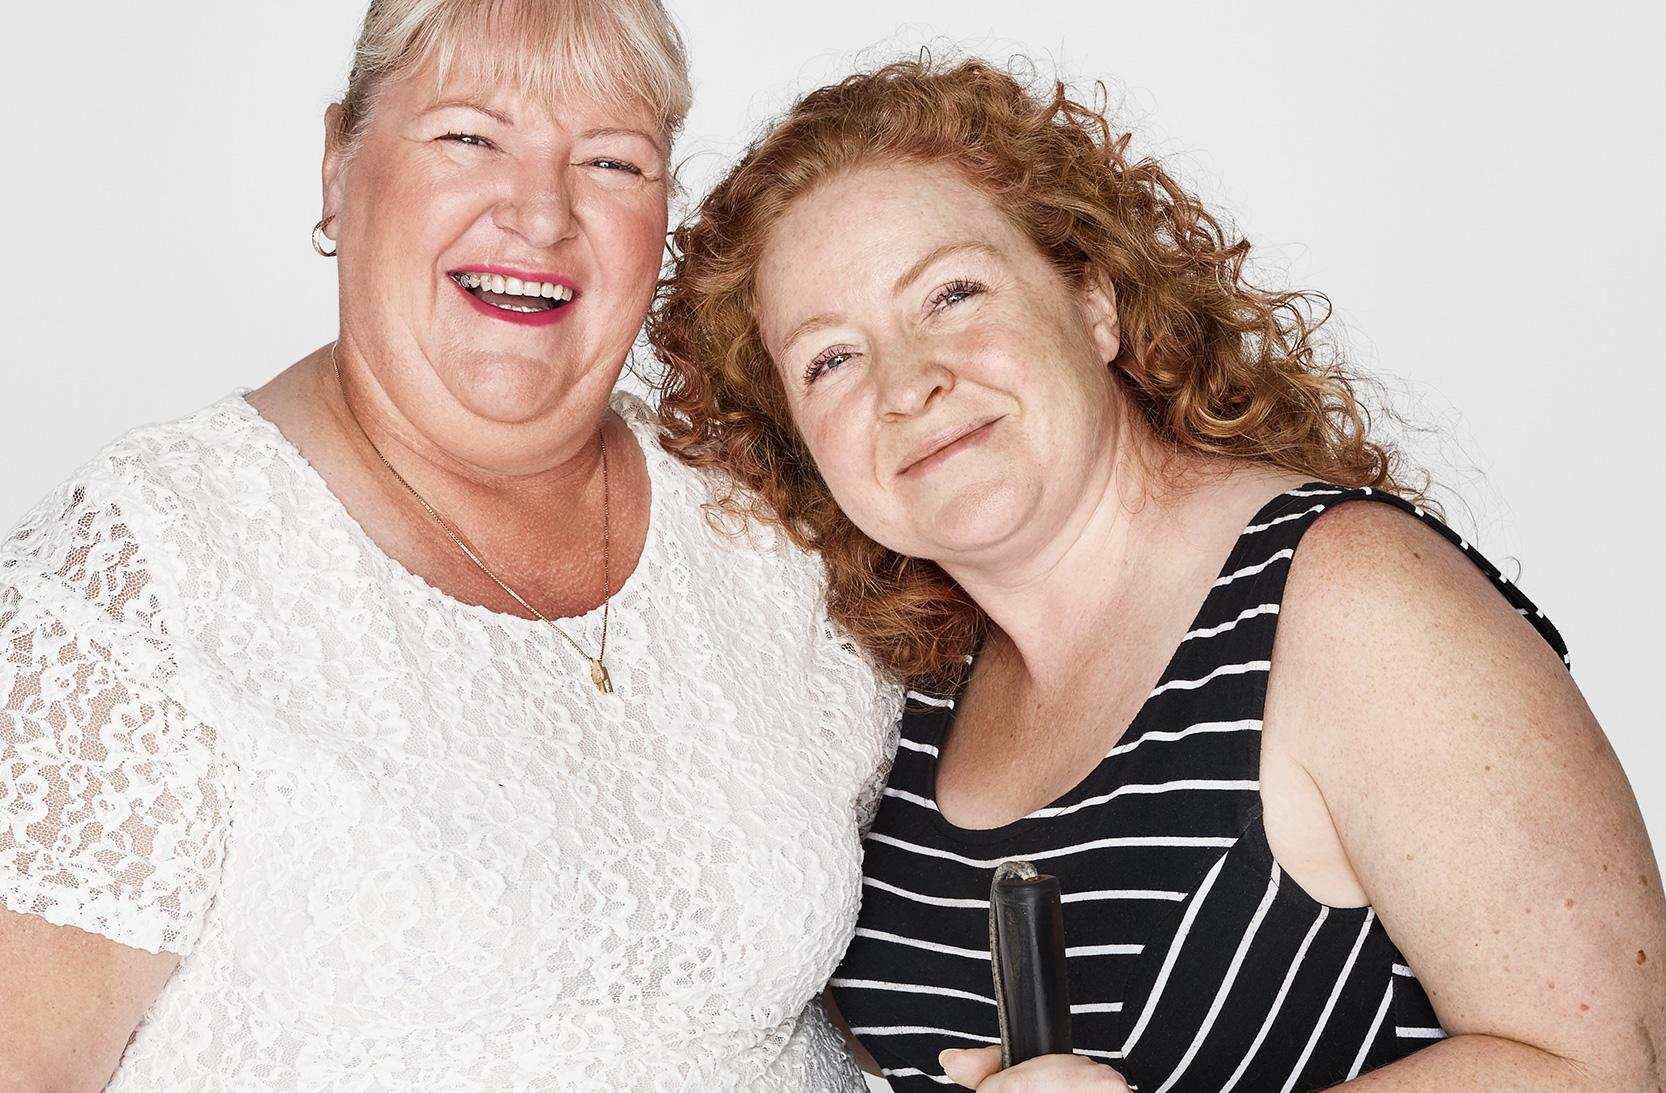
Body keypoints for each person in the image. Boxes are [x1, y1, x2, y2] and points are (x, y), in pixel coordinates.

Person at [649, 58, 1666, 1091]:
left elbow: (1606, 1066)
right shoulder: (900, 700)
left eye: (952, 294)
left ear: (1094, 300)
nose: (910, 382)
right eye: (830, 358)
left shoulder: (1349, 599)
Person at [0, 2, 899, 1089]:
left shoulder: (767, 523)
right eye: (469, 137)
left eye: (612, 161)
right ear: (339, 162)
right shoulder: (142, 578)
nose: (540, 214)